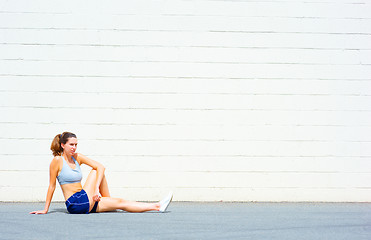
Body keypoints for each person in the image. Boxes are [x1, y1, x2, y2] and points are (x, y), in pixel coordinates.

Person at [30, 132, 173, 214]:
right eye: (71, 145)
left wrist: (96, 190)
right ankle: (106, 199)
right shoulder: (57, 160)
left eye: (76, 144)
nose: (74, 147)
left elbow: (102, 167)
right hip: (76, 202)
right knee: (95, 171)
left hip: (87, 200)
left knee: (120, 202)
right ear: (63, 145)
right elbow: (51, 186)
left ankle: (157, 206)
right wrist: (45, 209)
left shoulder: (78, 157)